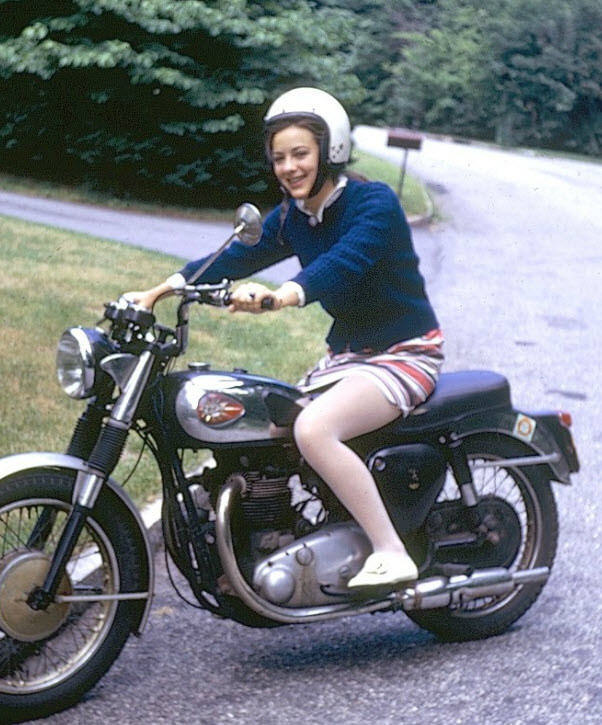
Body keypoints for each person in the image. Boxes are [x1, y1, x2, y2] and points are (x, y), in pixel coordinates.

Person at [126, 87, 443, 589]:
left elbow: (343, 265)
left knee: (314, 430)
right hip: (348, 358)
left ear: (329, 150)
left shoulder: (372, 203)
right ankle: (285, 540)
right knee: (264, 426)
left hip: (403, 353)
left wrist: (281, 297)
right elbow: (230, 259)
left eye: (300, 153)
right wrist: (158, 291)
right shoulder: (295, 216)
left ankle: (390, 550)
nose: (289, 167)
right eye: (279, 157)